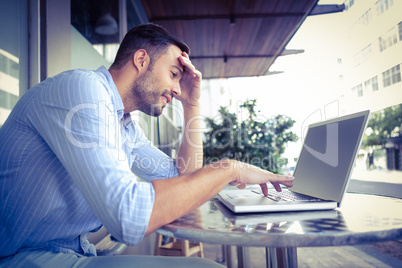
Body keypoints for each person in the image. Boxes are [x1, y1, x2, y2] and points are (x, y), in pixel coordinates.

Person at [0, 23, 294, 267]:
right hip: (23, 259)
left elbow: (180, 180)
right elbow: (128, 219)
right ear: (141, 60)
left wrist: (192, 105)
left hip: (72, 255)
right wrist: (229, 169)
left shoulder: (124, 124)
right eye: (174, 74)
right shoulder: (83, 89)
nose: (177, 89)